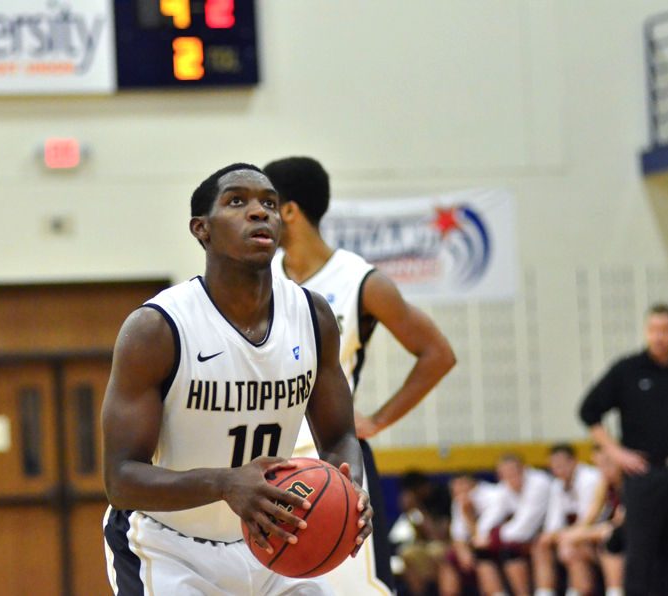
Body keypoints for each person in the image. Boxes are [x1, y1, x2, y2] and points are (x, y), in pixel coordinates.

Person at [100, 163, 373, 595]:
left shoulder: (313, 316)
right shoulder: (156, 329)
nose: (259, 211)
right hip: (171, 548)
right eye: (236, 201)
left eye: (269, 202)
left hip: (275, 541)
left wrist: (349, 489)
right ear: (201, 229)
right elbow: (120, 480)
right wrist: (225, 483)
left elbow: (340, 435)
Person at [263, 156, 456, 594]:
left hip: (333, 456)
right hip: (266, 459)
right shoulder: (259, 276)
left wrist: (380, 419)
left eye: (265, 204)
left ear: (289, 211)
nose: (255, 215)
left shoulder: (360, 281)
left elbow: (437, 354)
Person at [579, 303, 668, 596]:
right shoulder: (627, 370)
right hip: (644, 475)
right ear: (646, 331)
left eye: (665, 330)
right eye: (654, 330)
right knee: (641, 551)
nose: (659, 336)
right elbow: (588, 411)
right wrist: (616, 453)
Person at [473, 454, 551, 596]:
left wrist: (492, 537)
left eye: (513, 472)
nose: (509, 477)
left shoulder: (539, 482)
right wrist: (482, 535)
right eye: (504, 473)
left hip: (547, 531)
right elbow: (492, 515)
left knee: (535, 546)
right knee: (482, 551)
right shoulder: (504, 487)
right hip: (525, 534)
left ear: (524, 469)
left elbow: (526, 525)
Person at [531, 443, 601, 596]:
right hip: (577, 533)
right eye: (554, 466)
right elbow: (553, 522)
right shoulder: (557, 484)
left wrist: (566, 536)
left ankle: (579, 591)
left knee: (571, 545)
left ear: (574, 461)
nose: (558, 469)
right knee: (541, 544)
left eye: (561, 465)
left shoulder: (590, 478)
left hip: (595, 531)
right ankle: (545, 592)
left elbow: (588, 519)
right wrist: (551, 535)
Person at [555, 445, 625, 596]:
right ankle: (578, 591)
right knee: (575, 547)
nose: (603, 470)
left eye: (607, 464)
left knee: (611, 539)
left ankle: (615, 591)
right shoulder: (604, 484)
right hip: (614, 536)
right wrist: (569, 537)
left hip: (635, 540)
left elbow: (620, 525)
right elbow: (589, 518)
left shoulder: (633, 483)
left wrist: (576, 535)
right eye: (598, 466)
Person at [439, 473, 503, 596]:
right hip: (475, 543)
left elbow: (482, 534)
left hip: (495, 544)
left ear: (468, 483)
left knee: (482, 555)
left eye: (457, 488)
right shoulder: (459, 499)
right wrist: (462, 550)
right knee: (450, 558)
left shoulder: (494, 496)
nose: (455, 493)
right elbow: (457, 533)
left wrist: (468, 515)